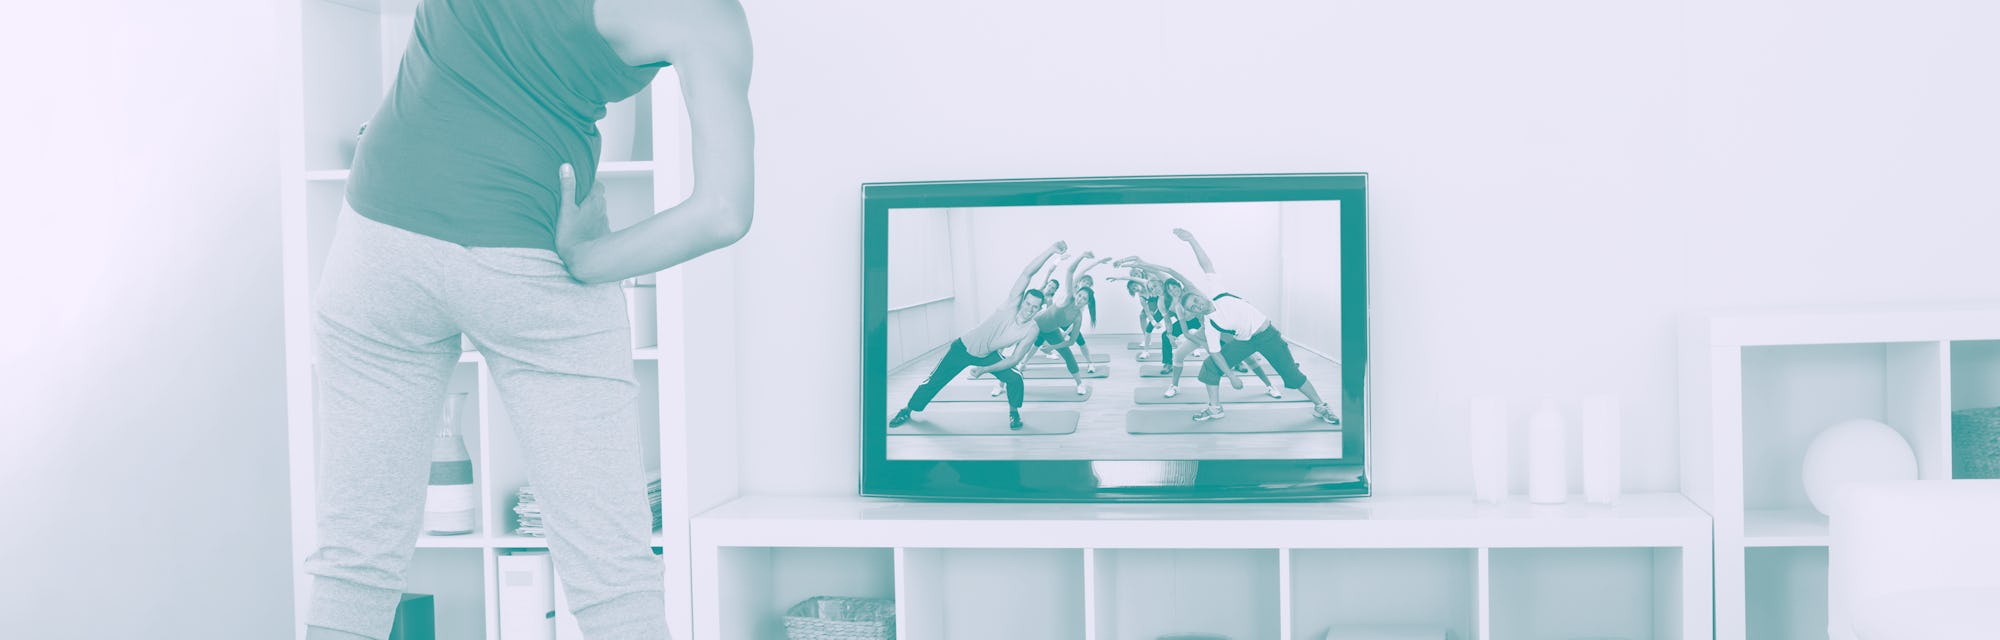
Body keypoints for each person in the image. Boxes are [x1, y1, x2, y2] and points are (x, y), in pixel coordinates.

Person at [305, 0, 754, 638]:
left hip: (378, 243)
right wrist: (593, 257)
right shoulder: (707, 17)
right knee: (612, 575)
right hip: (531, 256)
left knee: (355, 559)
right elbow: (723, 211)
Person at [1118, 229, 1340, 425]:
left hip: (1268, 336)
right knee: (1210, 367)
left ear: (1198, 294)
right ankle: (1215, 409)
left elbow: (1203, 264)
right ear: (1194, 312)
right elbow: (1215, 354)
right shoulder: (1211, 325)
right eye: (1193, 306)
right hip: (1245, 340)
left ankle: (1321, 406)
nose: (1197, 304)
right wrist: (1231, 376)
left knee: (1292, 375)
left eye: (1195, 299)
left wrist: (1192, 240)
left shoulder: (1215, 291)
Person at [891, 242, 1069, 431]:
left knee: (1015, 378)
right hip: (962, 349)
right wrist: (1050, 251)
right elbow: (1027, 273)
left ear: (1039, 309)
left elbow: (1015, 358)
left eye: (1035, 307)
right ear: (1022, 300)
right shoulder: (1011, 304)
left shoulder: (1032, 329)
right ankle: (907, 409)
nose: (1029, 309)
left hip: (987, 356)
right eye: (1028, 304)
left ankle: (1014, 412)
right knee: (934, 381)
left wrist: (985, 370)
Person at [1007, 252, 1112, 394]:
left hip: (1051, 332)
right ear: (1077, 293)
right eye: (1080, 295)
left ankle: (1079, 384)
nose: (1080, 299)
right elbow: (1071, 271)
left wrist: (1052, 347)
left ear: (1087, 303)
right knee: (1018, 352)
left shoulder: (1077, 317)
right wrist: (1082, 256)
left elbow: (1071, 341)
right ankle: (1001, 384)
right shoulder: (1068, 296)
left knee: (1068, 355)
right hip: (1035, 326)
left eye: (1084, 299)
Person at [1162, 290, 1283, 400]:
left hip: (1221, 330)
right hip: (1204, 332)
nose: (1174, 291)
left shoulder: (1198, 297)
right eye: (1171, 290)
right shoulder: (1180, 308)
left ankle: (1269, 385)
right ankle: (1174, 386)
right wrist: (1203, 344)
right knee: (1178, 354)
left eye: (1176, 288)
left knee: (1248, 358)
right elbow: (1186, 333)